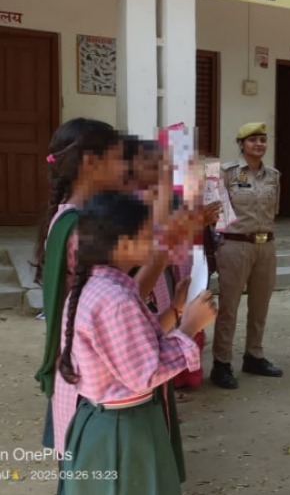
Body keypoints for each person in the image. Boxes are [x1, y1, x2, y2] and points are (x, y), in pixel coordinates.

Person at [58, 191, 216, 495]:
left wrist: (175, 312)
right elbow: (144, 373)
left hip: (107, 421)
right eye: (148, 235)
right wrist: (190, 327)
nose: (155, 242)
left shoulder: (102, 286)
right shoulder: (116, 300)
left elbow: (134, 346)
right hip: (123, 429)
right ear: (123, 244)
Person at [34, 119, 124, 458]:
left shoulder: (66, 216)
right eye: (116, 157)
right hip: (92, 371)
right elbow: (114, 299)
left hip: (75, 358)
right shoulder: (82, 230)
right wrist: (158, 260)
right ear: (90, 163)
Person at [211, 122, 283, 389]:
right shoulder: (226, 172)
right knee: (229, 307)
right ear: (241, 144)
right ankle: (221, 363)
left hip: (265, 246)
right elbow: (214, 211)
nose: (259, 144)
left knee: (260, 305)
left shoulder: (273, 175)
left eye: (263, 140)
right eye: (253, 140)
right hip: (235, 244)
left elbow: (274, 210)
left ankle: (254, 355)